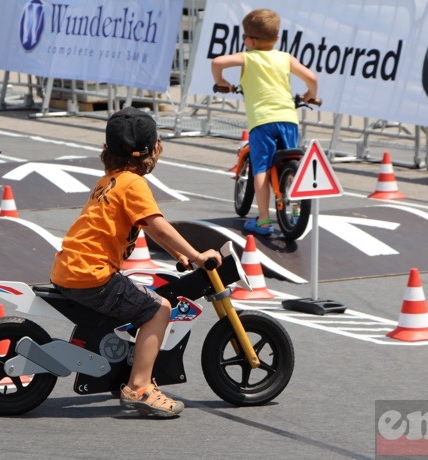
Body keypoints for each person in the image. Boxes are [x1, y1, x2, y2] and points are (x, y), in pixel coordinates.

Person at [50, 107, 221, 418]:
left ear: (107, 150)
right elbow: (156, 224)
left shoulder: (110, 180)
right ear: (154, 149)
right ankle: (139, 386)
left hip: (71, 266)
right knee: (158, 309)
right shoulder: (133, 183)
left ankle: (124, 369)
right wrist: (197, 256)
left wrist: (177, 254)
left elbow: (139, 224)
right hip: (92, 274)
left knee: (139, 295)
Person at [212, 9, 318, 235]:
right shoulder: (285, 57)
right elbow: (312, 78)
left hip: (262, 122)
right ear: (277, 39)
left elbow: (218, 61)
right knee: (289, 160)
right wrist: (310, 94)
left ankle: (263, 220)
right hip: (288, 119)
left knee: (261, 166)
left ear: (249, 40)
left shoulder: (248, 57)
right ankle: (296, 210)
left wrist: (222, 81)